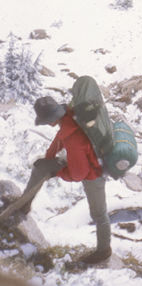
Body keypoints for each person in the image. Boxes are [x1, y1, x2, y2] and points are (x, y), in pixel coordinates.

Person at [20, 96, 111, 265]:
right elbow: (60, 138)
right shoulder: (70, 116)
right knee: (41, 167)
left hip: (93, 174)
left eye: (46, 121)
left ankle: (104, 251)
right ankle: (24, 203)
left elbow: (79, 174)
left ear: (52, 118)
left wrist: (58, 173)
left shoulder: (73, 139)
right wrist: (48, 158)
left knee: (99, 214)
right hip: (86, 161)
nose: (47, 124)